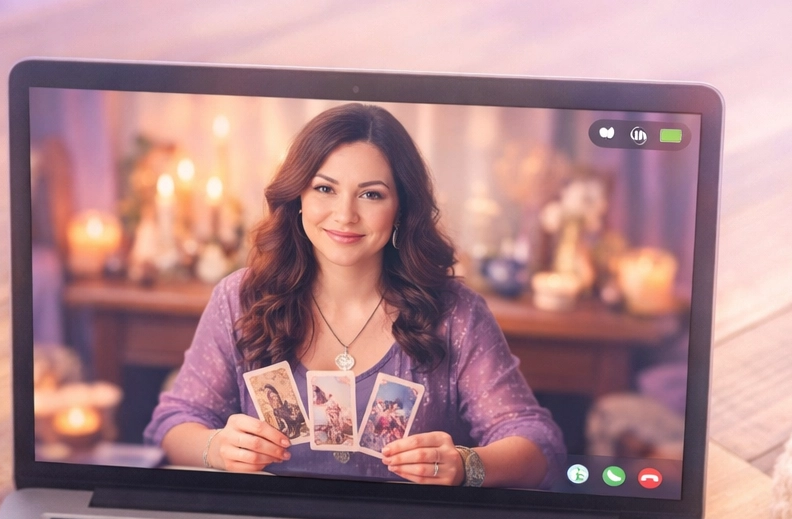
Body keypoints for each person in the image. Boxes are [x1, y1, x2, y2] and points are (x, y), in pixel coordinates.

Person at [146, 103, 564, 488]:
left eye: (371, 194)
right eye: (325, 189)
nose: (345, 214)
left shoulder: (455, 312)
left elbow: (537, 443)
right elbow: (174, 422)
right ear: (298, 198)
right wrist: (216, 448)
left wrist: (466, 465)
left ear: (402, 207)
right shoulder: (239, 298)